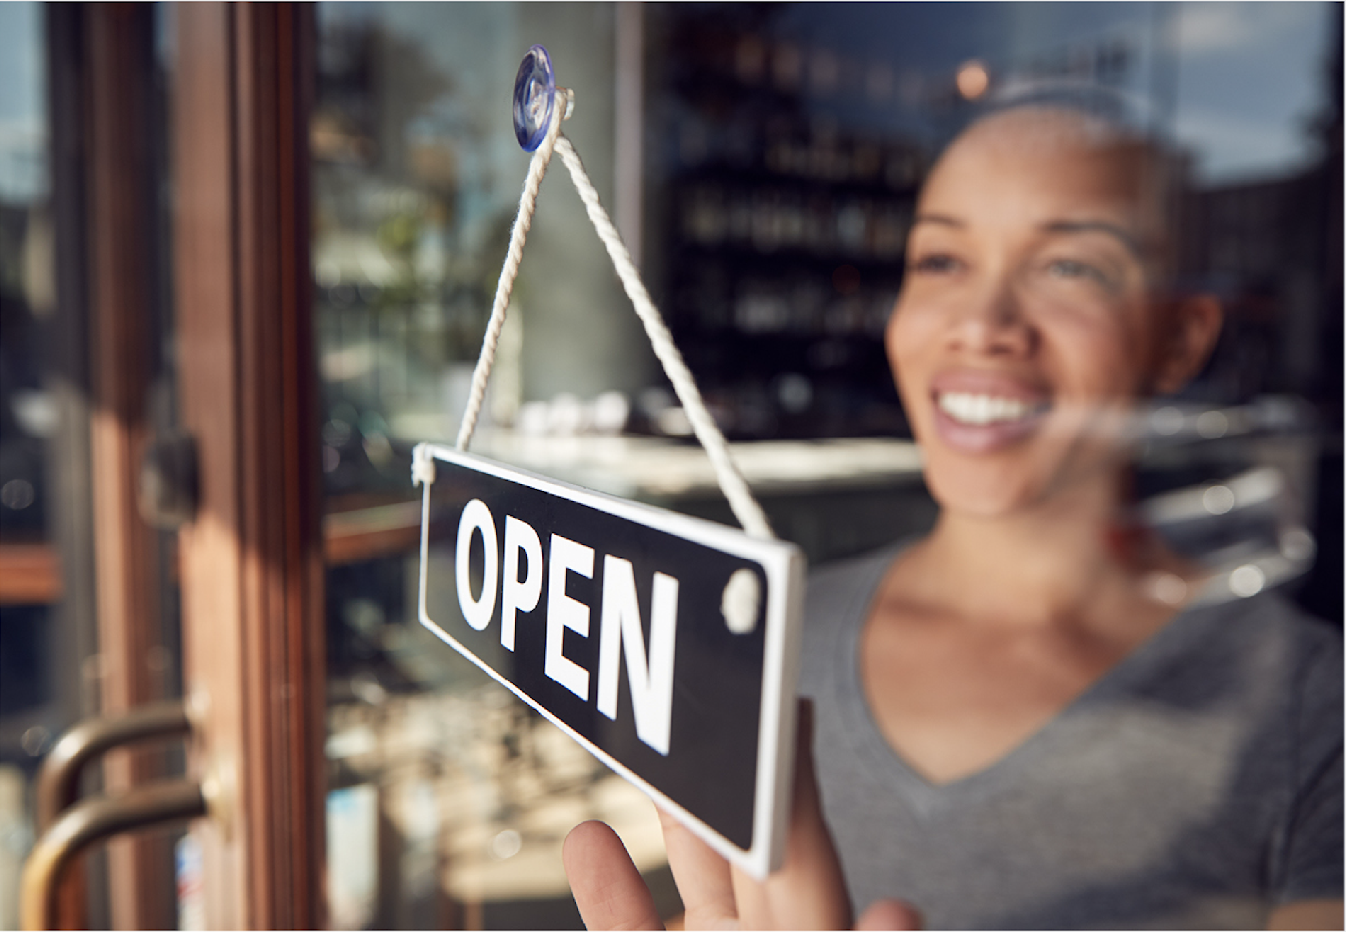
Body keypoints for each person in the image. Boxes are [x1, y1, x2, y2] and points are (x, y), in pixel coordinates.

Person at [561, 99, 1344, 930]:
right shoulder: (762, 638)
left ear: (1180, 339)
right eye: (940, 260)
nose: (981, 324)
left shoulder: (1313, 714)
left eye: (1070, 267)